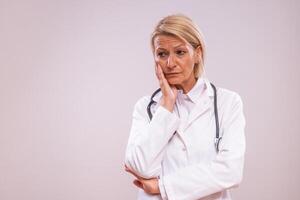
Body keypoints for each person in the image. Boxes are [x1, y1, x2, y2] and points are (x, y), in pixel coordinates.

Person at [124, 14, 246, 200]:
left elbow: (230, 171)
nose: (170, 63)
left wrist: (162, 186)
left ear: (197, 53)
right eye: (162, 54)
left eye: (180, 52)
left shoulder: (227, 103)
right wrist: (166, 105)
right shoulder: (145, 108)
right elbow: (140, 166)